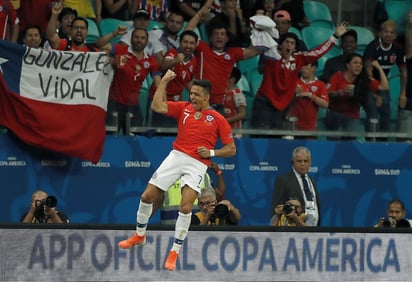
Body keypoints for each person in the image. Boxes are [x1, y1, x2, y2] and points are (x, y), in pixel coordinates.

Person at [118, 69, 236, 271]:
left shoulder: (218, 119)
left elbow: (231, 149)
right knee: (147, 196)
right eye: (191, 94)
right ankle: (139, 235)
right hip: (176, 156)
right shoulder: (184, 108)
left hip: (198, 163)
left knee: (186, 207)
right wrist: (163, 82)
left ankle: (174, 252)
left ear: (207, 97)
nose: (193, 97)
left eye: (197, 95)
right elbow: (157, 106)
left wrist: (211, 153)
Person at [250, 22, 349, 132]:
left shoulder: (298, 59)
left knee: (275, 140)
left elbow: (317, 52)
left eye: (292, 43)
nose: (289, 45)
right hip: (265, 103)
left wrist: (334, 36)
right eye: (286, 42)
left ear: (295, 49)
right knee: (258, 136)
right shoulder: (271, 57)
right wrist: (259, 25)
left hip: (282, 106)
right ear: (280, 45)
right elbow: (262, 43)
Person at [185, 0, 262, 115]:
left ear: (227, 39)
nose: (219, 37)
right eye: (216, 34)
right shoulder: (202, 49)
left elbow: (257, 50)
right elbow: (187, 34)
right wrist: (201, 12)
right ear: (210, 37)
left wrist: (259, 26)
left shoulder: (232, 54)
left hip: (218, 106)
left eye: (222, 34)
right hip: (197, 104)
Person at [105, 27, 162, 133]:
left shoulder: (151, 61)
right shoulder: (121, 51)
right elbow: (100, 45)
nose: (139, 40)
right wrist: (114, 33)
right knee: (109, 137)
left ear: (147, 41)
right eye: (136, 37)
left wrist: (163, 102)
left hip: (133, 106)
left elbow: (159, 84)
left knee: (136, 139)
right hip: (114, 103)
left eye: (142, 38)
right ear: (131, 39)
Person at [325, 54, 388, 140]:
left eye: (361, 63)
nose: (359, 65)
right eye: (355, 63)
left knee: (349, 146)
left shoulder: (364, 79)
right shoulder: (338, 76)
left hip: (352, 117)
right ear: (348, 65)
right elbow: (327, 93)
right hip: (335, 115)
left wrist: (379, 68)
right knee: (334, 144)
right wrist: (339, 93)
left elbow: (385, 87)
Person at [363, 20, 407, 136]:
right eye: (386, 32)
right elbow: (368, 74)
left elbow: (404, 73)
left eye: (392, 33)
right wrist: (375, 95)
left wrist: (403, 94)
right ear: (380, 33)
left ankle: (383, 143)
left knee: (386, 114)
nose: (389, 35)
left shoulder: (398, 48)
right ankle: (370, 143)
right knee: (373, 114)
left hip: (382, 83)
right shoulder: (372, 47)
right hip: (366, 85)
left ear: (395, 35)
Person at [148, 30, 198, 127]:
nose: (188, 46)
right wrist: (176, 60)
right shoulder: (172, 53)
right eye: (185, 42)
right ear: (180, 42)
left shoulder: (194, 60)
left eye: (191, 43)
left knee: (173, 132)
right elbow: (164, 65)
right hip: (160, 100)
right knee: (157, 132)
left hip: (175, 103)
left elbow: (187, 81)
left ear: (196, 45)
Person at [160, 162, 225, 225]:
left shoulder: (203, 176)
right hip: (170, 229)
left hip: (196, 225)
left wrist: (218, 173)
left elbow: (219, 196)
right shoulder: (167, 177)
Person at [272, 146, 321, 226]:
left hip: (314, 229)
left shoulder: (312, 181)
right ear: (292, 162)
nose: (302, 164)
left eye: (305, 161)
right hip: (292, 231)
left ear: (310, 162)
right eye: (299, 161)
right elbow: (276, 209)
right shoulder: (283, 180)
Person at [257, 9, 307, 74]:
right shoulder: (268, 44)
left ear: (289, 25)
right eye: (277, 23)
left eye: (283, 23)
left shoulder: (299, 43)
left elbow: (307, 64)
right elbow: (261, 68)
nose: (280, 26)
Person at [286, 61, 328, 134]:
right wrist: (292, 92)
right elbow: (283, 101)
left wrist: (311, 95)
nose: (302, 68)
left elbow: (325, 104)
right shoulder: (294, 82)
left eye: (305, 66)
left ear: (314, 68)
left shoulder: (320, 85)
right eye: (301, 66)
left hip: (310, 127)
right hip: (293, 125)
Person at [399, 9, 412, 139]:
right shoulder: (405, 40)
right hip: (408, 99)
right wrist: (410, 26)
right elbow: (409, 53)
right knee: (405, 142)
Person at [224, 66, 247, 134]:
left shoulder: (238, 94)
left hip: (235, 132)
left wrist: (226, 121)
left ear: (232, 80)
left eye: (225, 76)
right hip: (222, 130)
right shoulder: (220, 93)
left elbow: (242, 114)